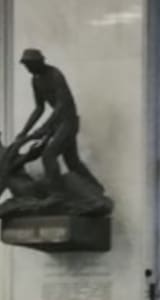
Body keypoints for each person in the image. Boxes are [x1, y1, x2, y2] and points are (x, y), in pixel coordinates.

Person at [16, 48, 105, 193]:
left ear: (39, 63)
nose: (27, 68)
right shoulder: (36, 80)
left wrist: (46, 126)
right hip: (59, 123)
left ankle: (56, 193)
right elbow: (39, 108)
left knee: (48, 155)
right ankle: (96, 189)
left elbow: (62, 104)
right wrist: (24, 132)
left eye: (29, 65)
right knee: (73, 162)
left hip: (68, 121)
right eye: (26, 65)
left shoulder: (54, 75)